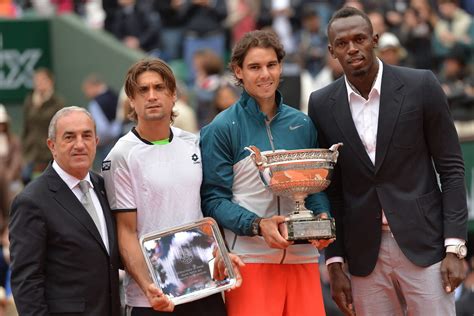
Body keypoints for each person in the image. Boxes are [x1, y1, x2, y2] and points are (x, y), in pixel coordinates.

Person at [308, 7, 468, 315]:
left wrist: (455, 246)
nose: (352, 48)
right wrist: (335, 261)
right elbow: (331, 190)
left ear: (374, 40)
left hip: (425, 243)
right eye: (342, 43)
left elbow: (451, 170)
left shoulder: (421, 85)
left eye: (360, 39)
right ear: (331, 51)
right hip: (364, 254)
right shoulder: (321, 104)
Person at [200, 30, 332, 316]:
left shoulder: (302, 123)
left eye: (271, 65)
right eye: (255, 67)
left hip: (303, 259)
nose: (265, 74)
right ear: (238, 71)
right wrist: (258, 225)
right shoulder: (221, 128)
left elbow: (314, 188)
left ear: (281, 67)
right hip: (250, 260)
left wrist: (322, 218)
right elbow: (213, 200)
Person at [101, 58, 243, 315]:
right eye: (143, 90)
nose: (152, 96)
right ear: (132, 100)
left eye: (159, 88)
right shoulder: (120, 156)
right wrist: (148, 287)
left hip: (204, 287)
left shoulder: (194, 143)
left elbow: (208, 209)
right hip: (153, 299)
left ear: (173, 95)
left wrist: (222, 252)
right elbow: (126, 232)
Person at [9, 106, 121, 315]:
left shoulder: (104, 187)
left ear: (96, 142)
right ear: (52, 145)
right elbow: (26, 282)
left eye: (86, 136)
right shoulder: (31, 201)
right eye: (69, 137)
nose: (80, 144)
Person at [21, 68, 64, 185]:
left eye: (43, 80)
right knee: (26, 180)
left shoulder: (57, 102)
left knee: (48, 184)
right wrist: (24, 147)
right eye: (37, 80)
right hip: (31, 152)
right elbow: (26, 126)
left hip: (49, 152)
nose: (39, 83)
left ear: (51, 82)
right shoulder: (29, 101)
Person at [82, 74, 121, 170]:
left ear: (93, 86)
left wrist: (96, 142)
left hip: (106, 145)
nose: (86, 94)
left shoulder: (95, 103)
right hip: (120, 139)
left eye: (87, 90)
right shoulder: (114, 95)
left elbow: (102, 130)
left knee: (108, 172)